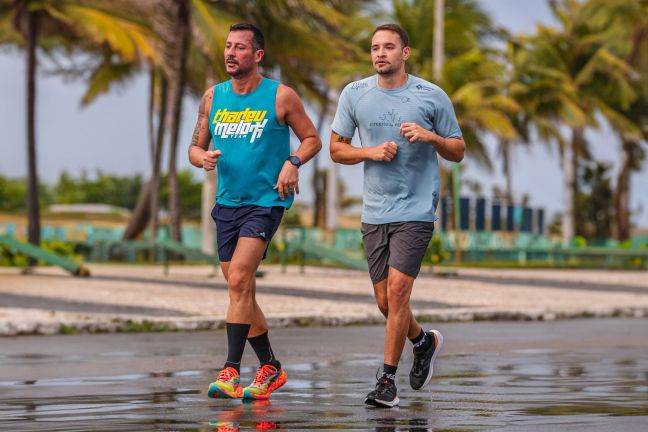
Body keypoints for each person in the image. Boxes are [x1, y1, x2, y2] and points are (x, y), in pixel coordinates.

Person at [330, 23, 465, 407]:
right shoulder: (354, 94)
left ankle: (387, 383)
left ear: (405, 53)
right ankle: (424, 342)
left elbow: (458, 149)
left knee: (398, 292)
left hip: (416, 209)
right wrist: (370, 153)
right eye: (375, 47)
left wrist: (431, 138)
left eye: (389, 47)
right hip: (375, 211)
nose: (380, 53)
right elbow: (336, 150)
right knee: (387, 304)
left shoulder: (431, 96)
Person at [189, 23, 321, 401]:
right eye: (228, 46)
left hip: (266, 201)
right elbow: (194, 148)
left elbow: (311, 138)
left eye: (240, 47)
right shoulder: (213, 97)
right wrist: (203, 158)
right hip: (227, 203)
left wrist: (293, 161)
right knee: (240, 289)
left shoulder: (281, 96)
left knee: (239, 281)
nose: (230, 53)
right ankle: (271, 368)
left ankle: (231, 370)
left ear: (257, 55)